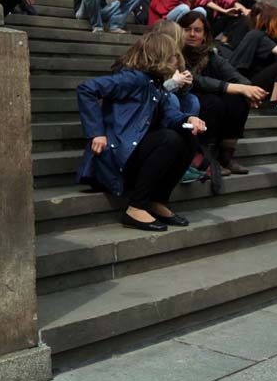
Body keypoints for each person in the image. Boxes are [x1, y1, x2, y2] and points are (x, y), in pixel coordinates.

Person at [76, 31, 206, 231]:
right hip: (115, 157)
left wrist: (189, 119)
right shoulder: (132, 79)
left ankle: (157, 200)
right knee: (168, 139)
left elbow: (171, 115)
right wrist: (96, 132)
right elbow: (87, 88)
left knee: (188, 136)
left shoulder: (155, 85)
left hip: (132, 155)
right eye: (173, 55)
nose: (177, 60)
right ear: (159, 55)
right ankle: (136, 207)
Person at [180, 12, 268, 176]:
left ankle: (225, 155)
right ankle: (203, 154)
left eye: (197, 30)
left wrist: (250, 91)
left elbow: (233, 74)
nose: (192, 34)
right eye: (187, 29)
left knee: (238, 98)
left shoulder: (210, 54)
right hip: (183, 97)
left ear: (205, 34)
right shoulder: (174, 53)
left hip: (206, 96)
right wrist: (234, 88)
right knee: (214, 102)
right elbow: (195, 80)